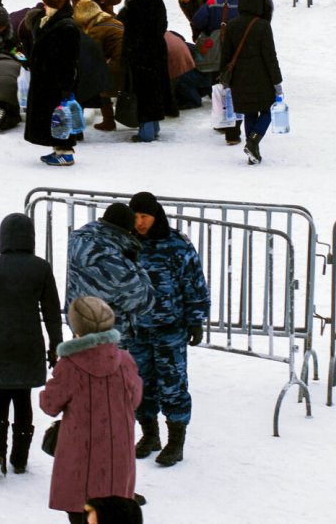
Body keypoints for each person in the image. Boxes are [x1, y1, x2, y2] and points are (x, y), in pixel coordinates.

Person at [0, 212, 63, 479]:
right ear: (31, 237)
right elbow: (52, 311)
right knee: (23, 399)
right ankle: (20, 458)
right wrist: (56, 346)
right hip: (28, 343)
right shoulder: (41, 268)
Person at [125, 192, 210, 468]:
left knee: (172, 385)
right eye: (135, 217)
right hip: (137, 329)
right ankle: (150, 436)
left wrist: (196, 318)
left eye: (145, 217)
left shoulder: (176, 245)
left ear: (156, 216)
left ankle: (176, 442)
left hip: (169, 329)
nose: (139, 223)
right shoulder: (126, 243)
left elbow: (194, 281)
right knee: (139, 385)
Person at [40, 296, 142, 524]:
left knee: (81, 514)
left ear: (76, 328)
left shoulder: (69, 365)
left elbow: (49, 405)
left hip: (80, 458)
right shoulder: (124, 360)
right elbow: (135, 399)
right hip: (118, 456)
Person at [64, 203, 155, 334]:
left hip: (80, 326)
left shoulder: (79, 241)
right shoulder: (115, 265)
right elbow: (143, 301)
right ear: (126, 230)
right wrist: (135, 265)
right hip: (109, 338)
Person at [220, 0, 283, 165]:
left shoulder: (232, 25)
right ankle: (253, 140)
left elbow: (226, 54)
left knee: (249, 113)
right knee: (266, 111)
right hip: (261, 78)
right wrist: (277, 81)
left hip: (239, 79)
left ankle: (252, 153)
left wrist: (225, 79)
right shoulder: (263, 26)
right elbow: (270, 57)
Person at [24, 0, 80, 166]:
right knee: (54, 118)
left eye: (47, 5)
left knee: (60, 117)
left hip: (55, 82)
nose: (44, 7)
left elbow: (67, 61)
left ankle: (65, 152)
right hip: (47, 81)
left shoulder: (66, 27)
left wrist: (65, 87)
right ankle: (59, 150)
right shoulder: (53, 22)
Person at [192, 0, 248, 144]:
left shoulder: (213, 2)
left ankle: (220, 121)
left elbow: (197, 21)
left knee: (217, 89)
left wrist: (210, 30)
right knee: (236, 90)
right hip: (240, 55)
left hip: (217, 54)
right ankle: (234, 128)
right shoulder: (247, 4)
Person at [119, 0, 171, 143]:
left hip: (140, 54)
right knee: (154, 90)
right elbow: (162, 25)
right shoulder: (157, 0)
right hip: (156, 51)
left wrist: (129, 52)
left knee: (142, 91)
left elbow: (129, 27)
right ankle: (154, 127)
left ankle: (146, 132)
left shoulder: (137, 1)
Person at [72, 0, 124, 132]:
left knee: (97, 84)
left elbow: (92, 55)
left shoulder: (97, 30)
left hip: (117, 64)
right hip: (126, 62)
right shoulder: (112, 21)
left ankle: (108, 121)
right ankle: (108, 120)